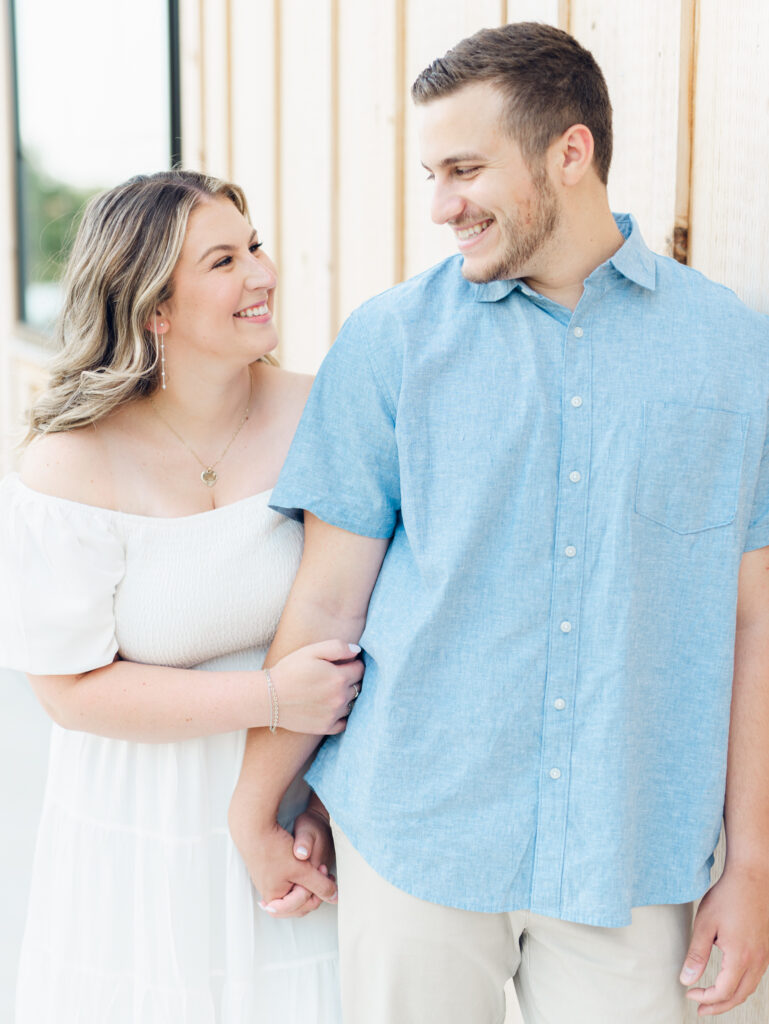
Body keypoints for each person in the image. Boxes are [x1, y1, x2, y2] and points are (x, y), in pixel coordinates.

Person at [227, 22, 769, 1024]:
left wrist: (753, 865)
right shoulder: (392, 341)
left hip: (633, 848)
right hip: (420, 830)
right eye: (432, 173)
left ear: (571, 152)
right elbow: (329, 597)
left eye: (464, 169)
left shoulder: (734, 351)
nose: (441, 205)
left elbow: (752, 625)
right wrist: (256, 800)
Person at [0, 170, 361, 1023]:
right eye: (224, 260)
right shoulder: (71, 463)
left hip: (293, 788)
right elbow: (68, 692)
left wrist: (312, 793)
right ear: (154, 307)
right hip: (139, 816)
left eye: (257, 247)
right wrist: (271, 696)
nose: (261, 274)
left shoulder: (322, 413)